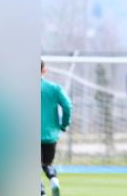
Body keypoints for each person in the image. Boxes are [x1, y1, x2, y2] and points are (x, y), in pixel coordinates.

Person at [41, 60, 72, 196]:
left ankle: (40, 191)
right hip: (50, 136)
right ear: (44, 71)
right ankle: (54, 179)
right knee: (46, 163)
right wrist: (64, 124)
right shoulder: (55, 88)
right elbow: (68, 106)